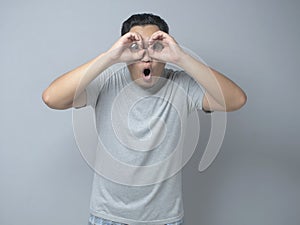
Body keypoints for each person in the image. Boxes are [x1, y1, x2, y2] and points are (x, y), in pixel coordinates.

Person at [42, 13, 246, 225]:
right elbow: (52, 98)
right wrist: (110, 57)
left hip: (165, 220)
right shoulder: (107, 82)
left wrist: (182, 58)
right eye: (135, 47)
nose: (146, 56)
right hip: (107, 217)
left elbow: (236, 100)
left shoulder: (181, 86)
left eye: (155, 47)